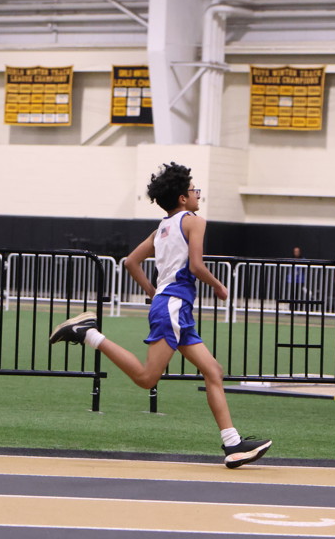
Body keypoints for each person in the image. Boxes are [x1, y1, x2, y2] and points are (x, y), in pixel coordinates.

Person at [49, 162, 272, 468]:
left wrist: (154, 293)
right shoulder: (194, 221)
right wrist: (218, 285)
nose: (197, 194)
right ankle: (88, 333)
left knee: (213, 371)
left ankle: (232, 444)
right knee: (147, 378)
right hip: (174, 306)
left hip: (171, 306)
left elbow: (131, 262)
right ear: (182, 197)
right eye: (193, 190)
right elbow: (196, 266)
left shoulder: (161, 229)